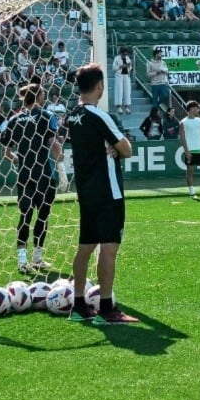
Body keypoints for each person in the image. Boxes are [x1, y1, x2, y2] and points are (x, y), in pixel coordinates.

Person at [67, 65, 136, 323]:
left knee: (85, 247)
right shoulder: (99, 115)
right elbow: (127, 149)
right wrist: (118, 148)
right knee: (109, 249)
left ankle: (78, 305)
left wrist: (112, 148)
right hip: (108, 192)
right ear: (99, 86)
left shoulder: (72, 115)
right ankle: (107, 308)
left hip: (87, 192)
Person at [0, 81, 65, 275]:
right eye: (42, 93)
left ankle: (22, 260)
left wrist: (17, 159)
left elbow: (5, 152)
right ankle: (37, 258)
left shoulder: (14, 120)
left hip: (25, 175)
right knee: (43, 216)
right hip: (44, 174)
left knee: (25, 216)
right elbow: (53, 144)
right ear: (39, 96)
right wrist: (62, 165)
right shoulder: (47, 116)